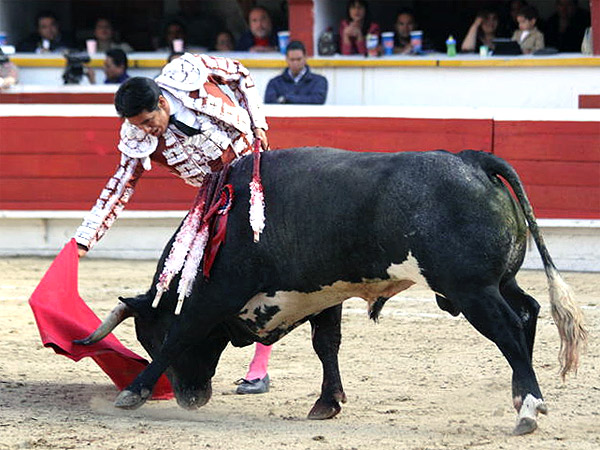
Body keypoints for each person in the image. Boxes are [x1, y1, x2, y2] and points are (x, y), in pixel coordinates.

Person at [264, 40, 328, 105]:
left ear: (305, 58)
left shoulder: (319, 81)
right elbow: (269, 104)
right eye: (292, 59)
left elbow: (318, 100)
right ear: (286, 59)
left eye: (298, 59)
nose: (295, 63)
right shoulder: (274, 83)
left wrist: (287, 98)